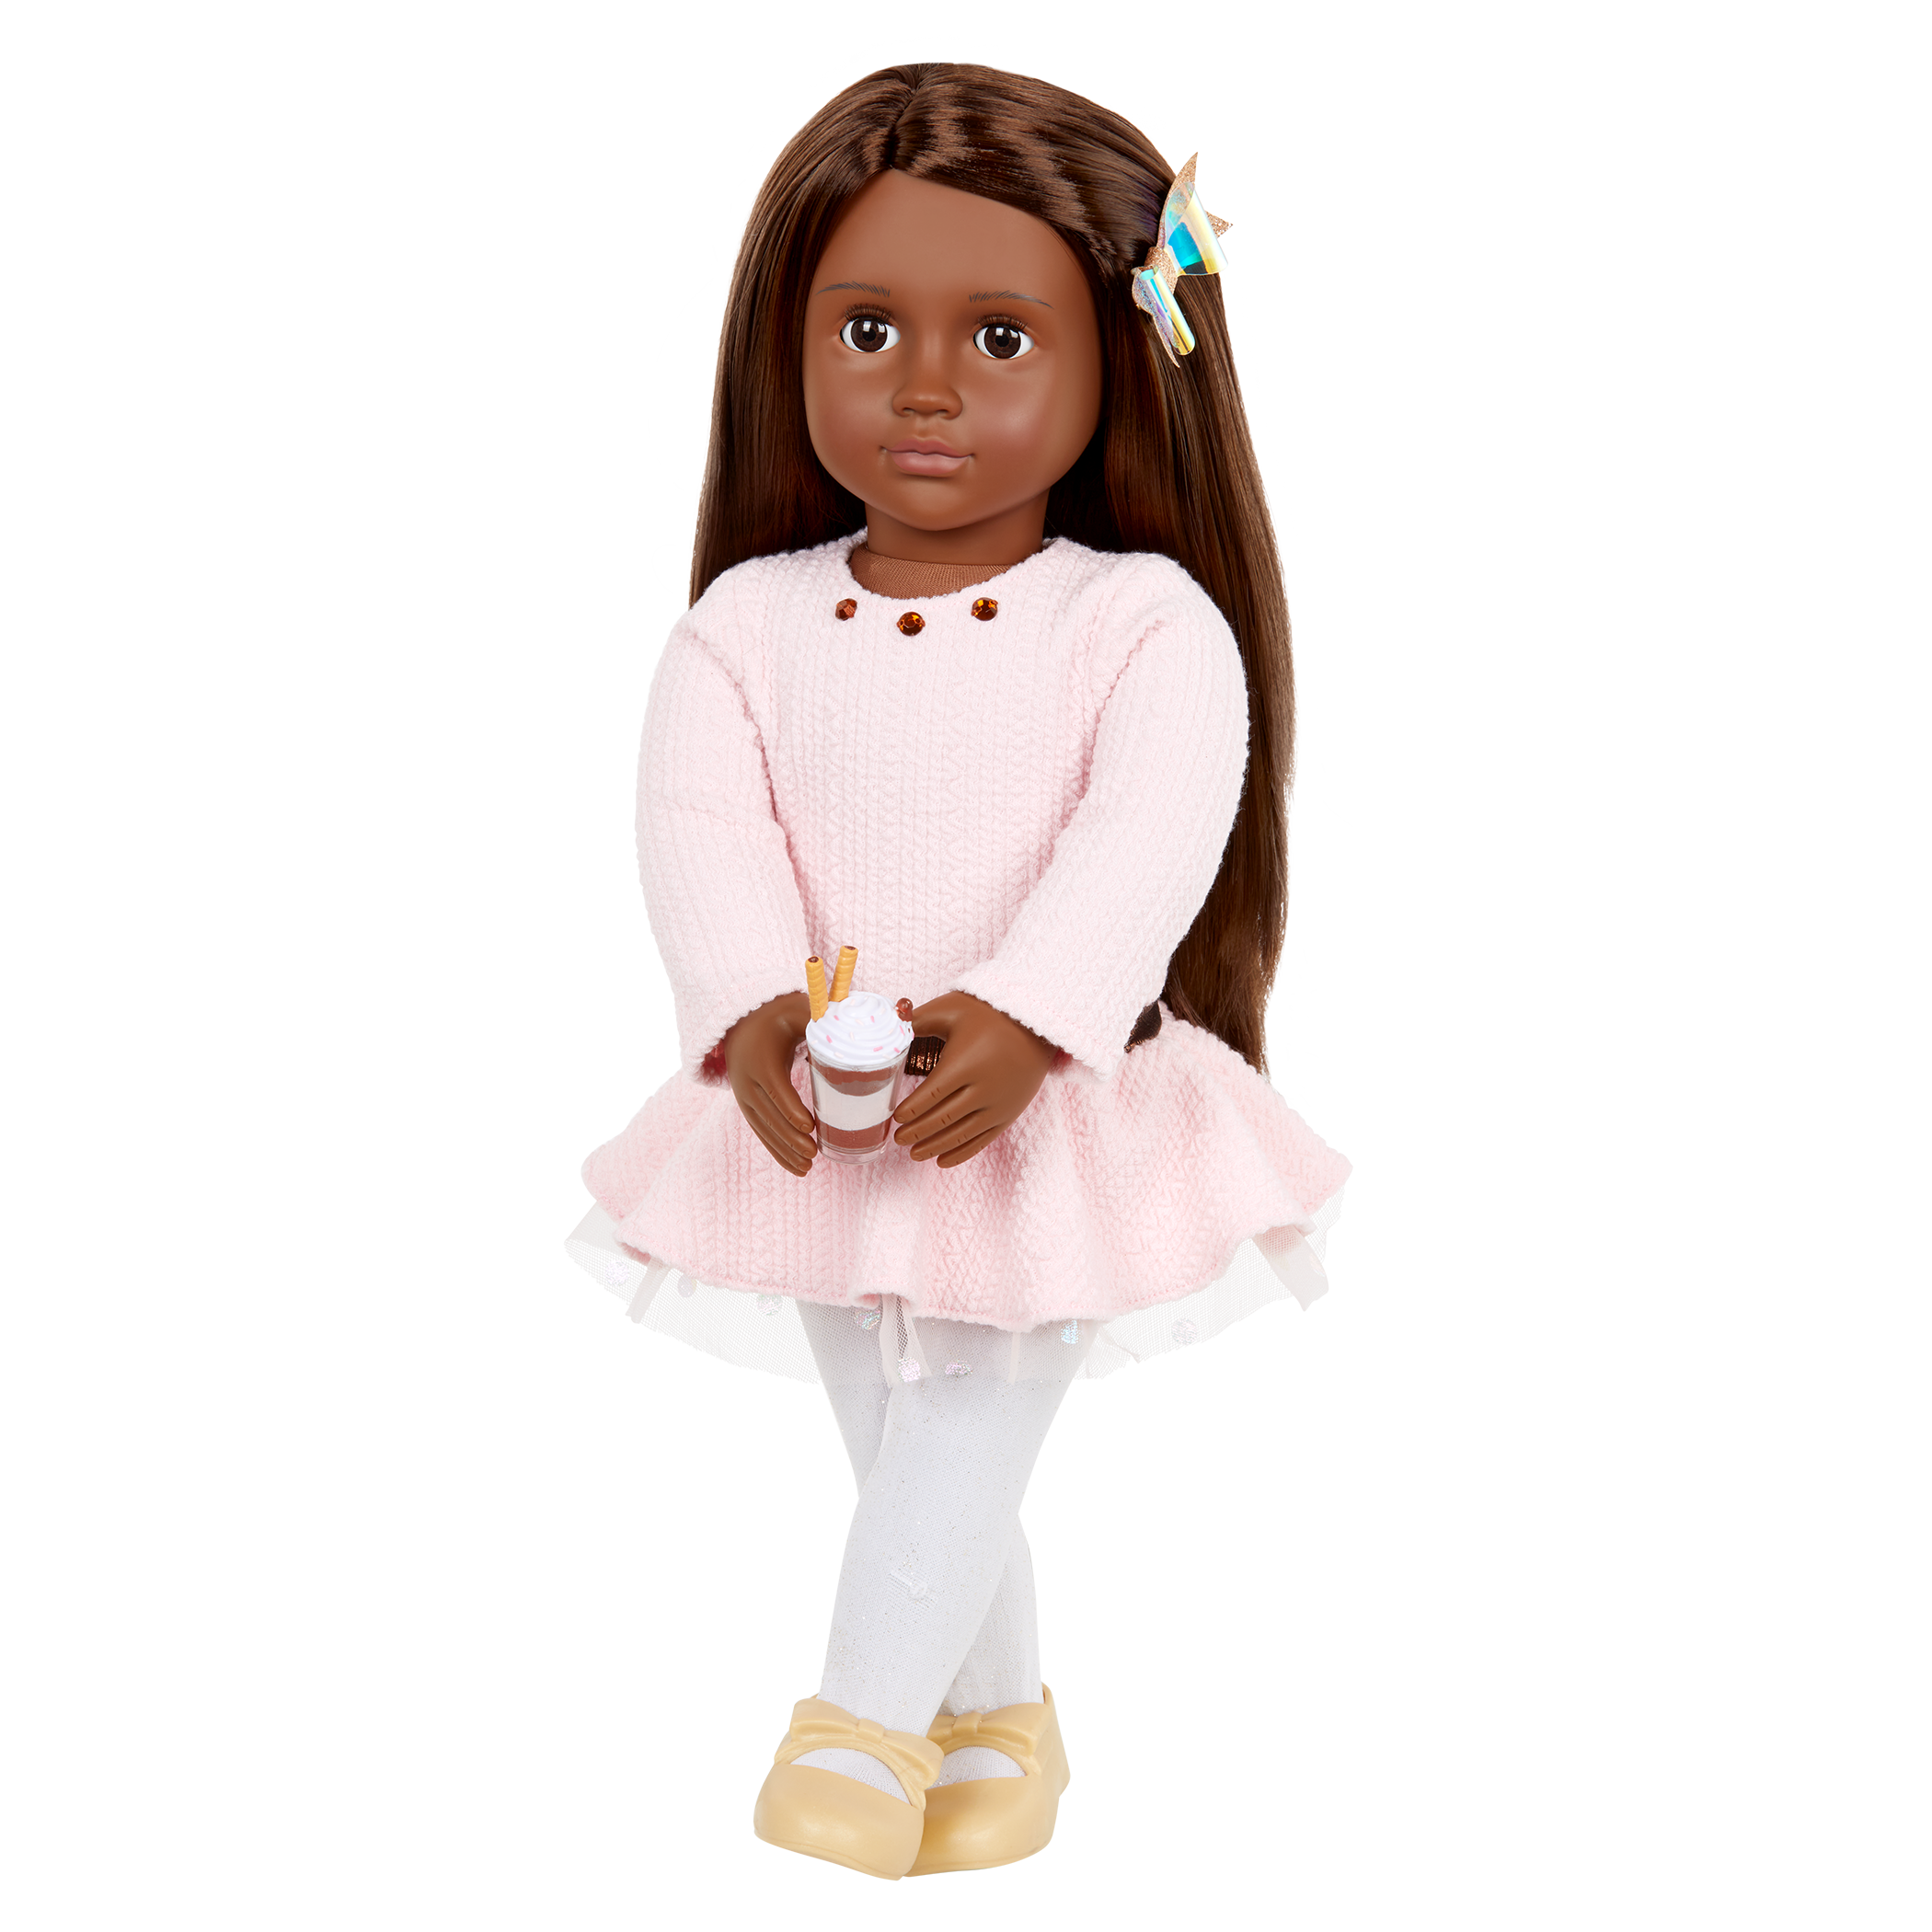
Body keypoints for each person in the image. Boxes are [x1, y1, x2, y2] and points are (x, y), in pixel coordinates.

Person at [577, 52, 1349, 1880]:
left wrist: (1032, 1011)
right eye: (867, 330)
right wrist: (750, 1011)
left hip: (1036, 1100)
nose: (924, 386)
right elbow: (700, 822)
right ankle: (1001, 1725)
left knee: (978, 1395)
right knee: (880, 1400)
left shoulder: (1139, 624)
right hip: (827, 1096)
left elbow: (1150, 829)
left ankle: (856, 1727)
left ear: (1115, 361)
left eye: (1000, 339)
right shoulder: (746, 624)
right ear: (787, 342)